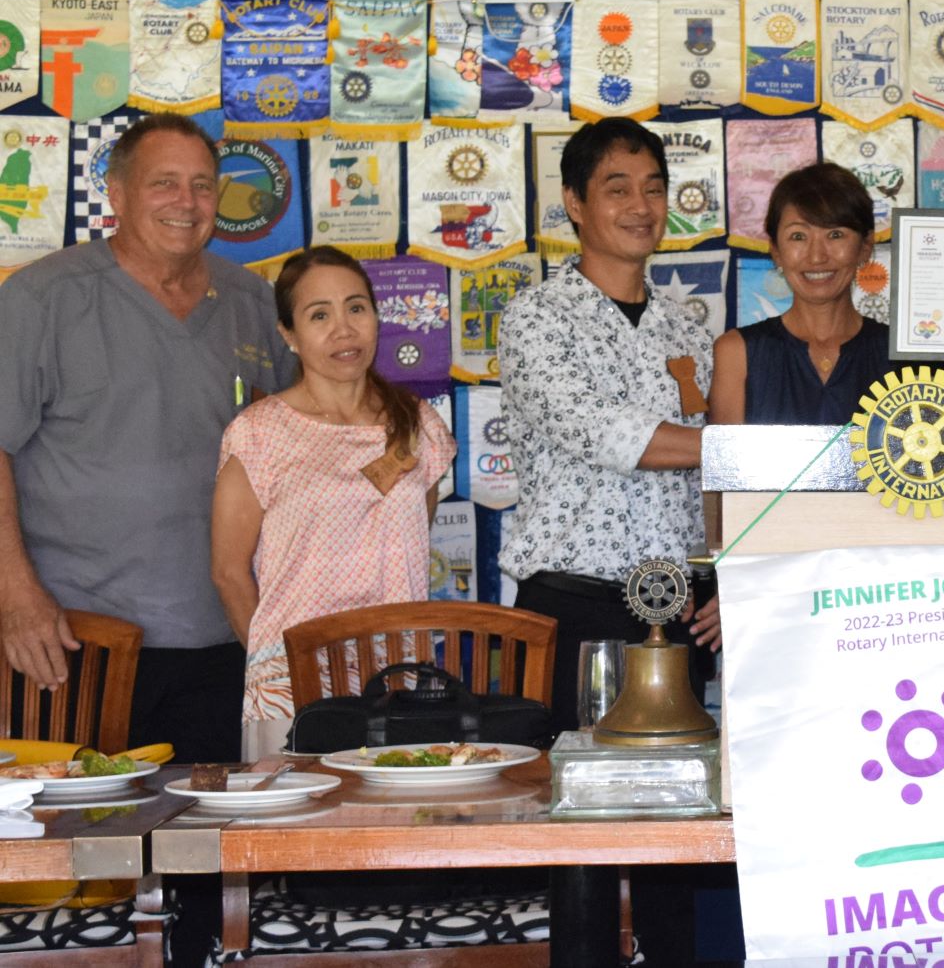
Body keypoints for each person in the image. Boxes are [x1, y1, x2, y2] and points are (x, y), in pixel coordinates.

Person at [0, 114, 295, 763]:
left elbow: (308, 431)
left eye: (202, 185)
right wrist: (16, 600)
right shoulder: (40, 299)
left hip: (227, 637)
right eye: (164, 183)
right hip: (76, 643)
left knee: (206, 847)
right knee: (75, 844)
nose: (186, 203)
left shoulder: (250, 300)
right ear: (117, 192)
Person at [499, 118, 713, 731]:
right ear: (575, 202)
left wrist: (725, 580)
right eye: (617, 189)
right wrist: (734, 446)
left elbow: (713, 487)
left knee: (677, 797)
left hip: (677, 608)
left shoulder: (690, 332)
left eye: (654, 188)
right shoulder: (535, 317)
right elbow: (601, 430)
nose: (641, 207)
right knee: (568, 801)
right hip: (573, 605)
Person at [210, 248, 457, 760]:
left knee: (396, 827)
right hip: (294, 686)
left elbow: (411, 539)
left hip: (399, 677)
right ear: (288, 335)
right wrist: (277, 667)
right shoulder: (258, 433)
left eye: (356, 308)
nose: (343, 330)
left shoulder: (419, 423)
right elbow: (229, 572)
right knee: (295, 833)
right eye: (319, 315)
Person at [708, 162, 892, 424]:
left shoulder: (898, 355)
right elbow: (726, 464)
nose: (817, 256)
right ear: (776, 251)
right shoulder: (737, 353)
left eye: (835, 234)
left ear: (865, 247)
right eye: (798, 236)